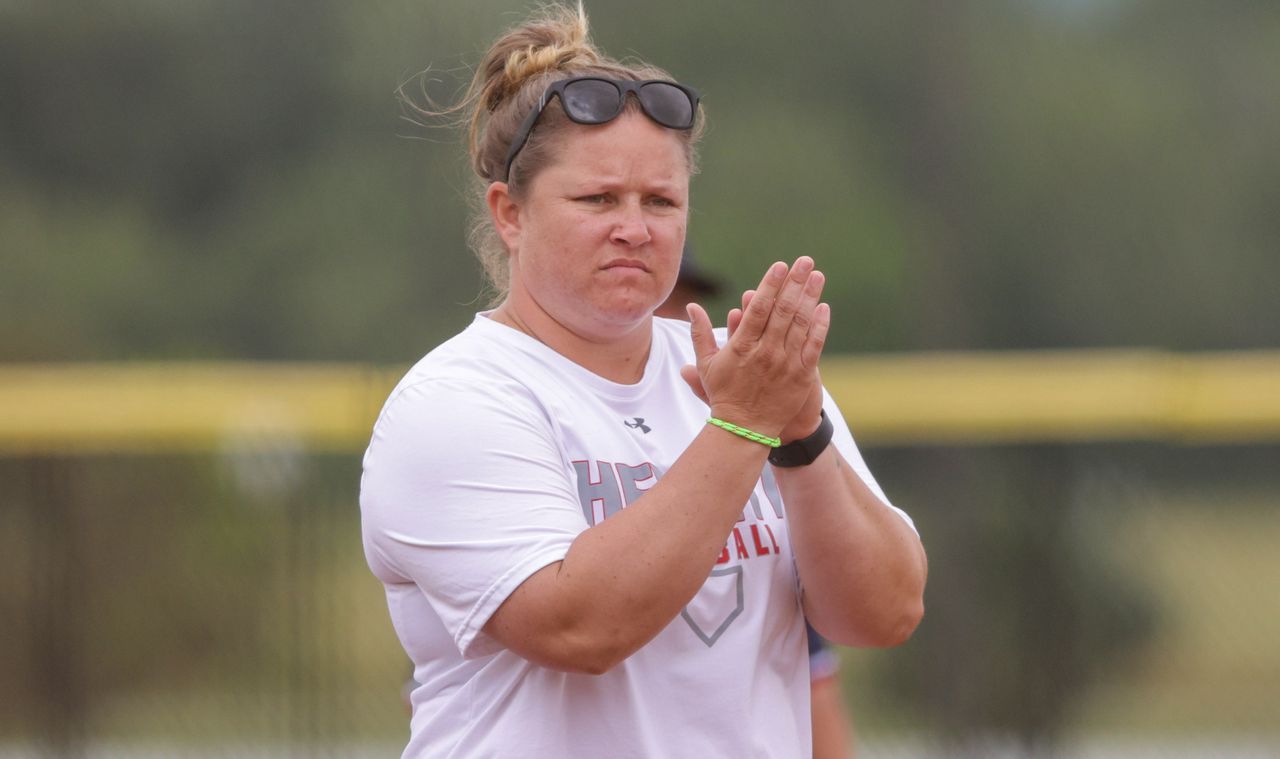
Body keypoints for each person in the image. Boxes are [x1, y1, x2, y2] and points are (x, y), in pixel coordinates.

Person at [359, 5, 927, 757]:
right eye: (598, 199)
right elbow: (580, 626)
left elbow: (884, 612)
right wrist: (746, 426)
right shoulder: (457, 400)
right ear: (510, 214)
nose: (635, 227)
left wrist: (801, 433)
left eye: (660, 201)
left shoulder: (746, 374)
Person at [657, 254, 859, 759]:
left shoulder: (758, 418)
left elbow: (832, 660)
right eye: (668, 300)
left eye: (688, 299)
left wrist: (796, 435)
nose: (681, 313)